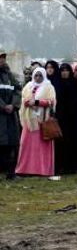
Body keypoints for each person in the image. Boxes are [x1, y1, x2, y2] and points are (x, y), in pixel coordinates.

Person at [15, 67, 56, 177]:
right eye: (36, 75)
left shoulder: (48, 86)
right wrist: (26, 102)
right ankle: (25, 169)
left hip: (42, 121)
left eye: (40, 76)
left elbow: (51, 102)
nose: (38, 78)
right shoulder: (28, 86)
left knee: (41, 146)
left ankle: (41, 170)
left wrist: (37, 102)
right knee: (26, 145)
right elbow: (22, 98)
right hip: (29, 120)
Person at [54, 63, 77, 174]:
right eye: (62, 70)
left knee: (75, 140)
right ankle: (62, 165)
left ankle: (74, 165)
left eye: (66, 70)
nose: (64, 72)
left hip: (74, 117)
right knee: (62, 141)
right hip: (61, 117)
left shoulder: (75, 82)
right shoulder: (57, 83)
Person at [0, 50, 22, 180]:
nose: (1, 60)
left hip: (10, 115)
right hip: (1, 115)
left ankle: (11, 173)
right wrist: (3, 106)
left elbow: (18, 90)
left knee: (11, 145)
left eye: (3, 58)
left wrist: (13, 105)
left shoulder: (9, 75)